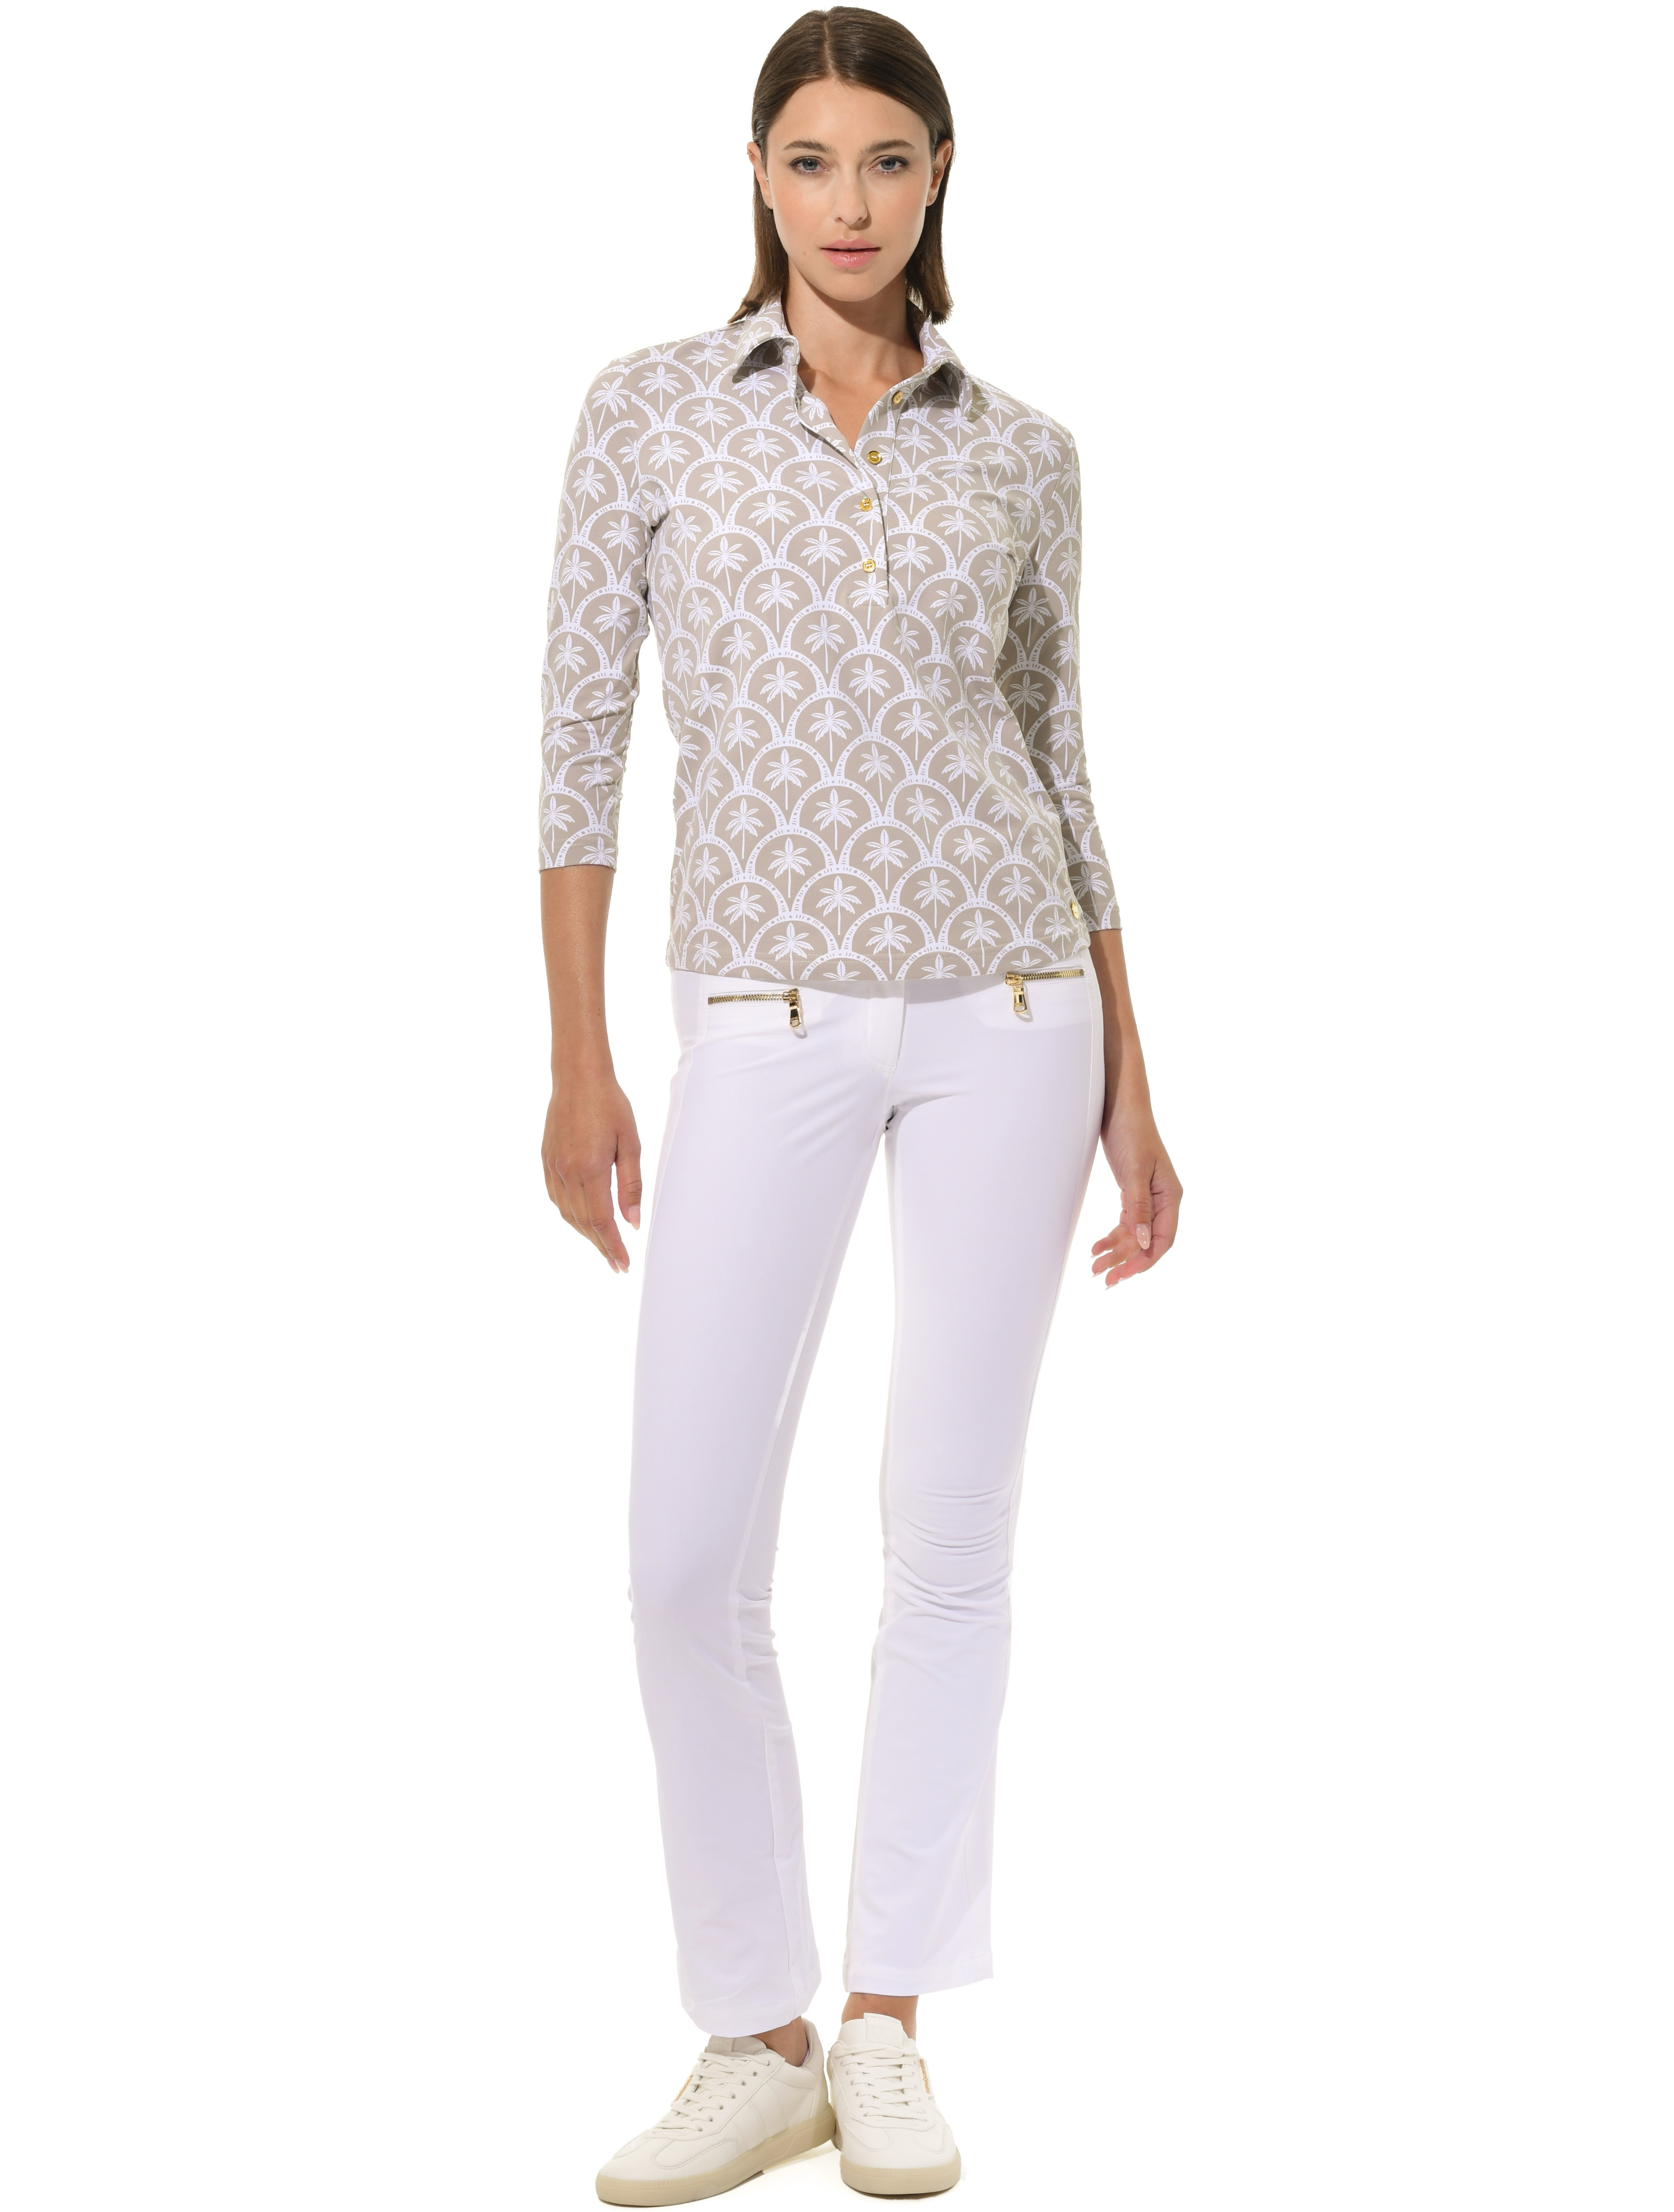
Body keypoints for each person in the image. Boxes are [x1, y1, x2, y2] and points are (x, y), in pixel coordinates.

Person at [539, 10, 1182, 2199]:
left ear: (936, 178)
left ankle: (890, 2019)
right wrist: (577, 1056)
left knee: (948, 1527)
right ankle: (755, 2030)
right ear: (755, 173)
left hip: (1014, 1010)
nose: (847, 199)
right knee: (682, 1552)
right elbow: (574, 751)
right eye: (809, 159)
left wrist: (1137, 1084)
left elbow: (1062, 767)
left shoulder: (1025, 453)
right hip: (765, 1016)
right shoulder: (647, 412)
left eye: (885, 160)